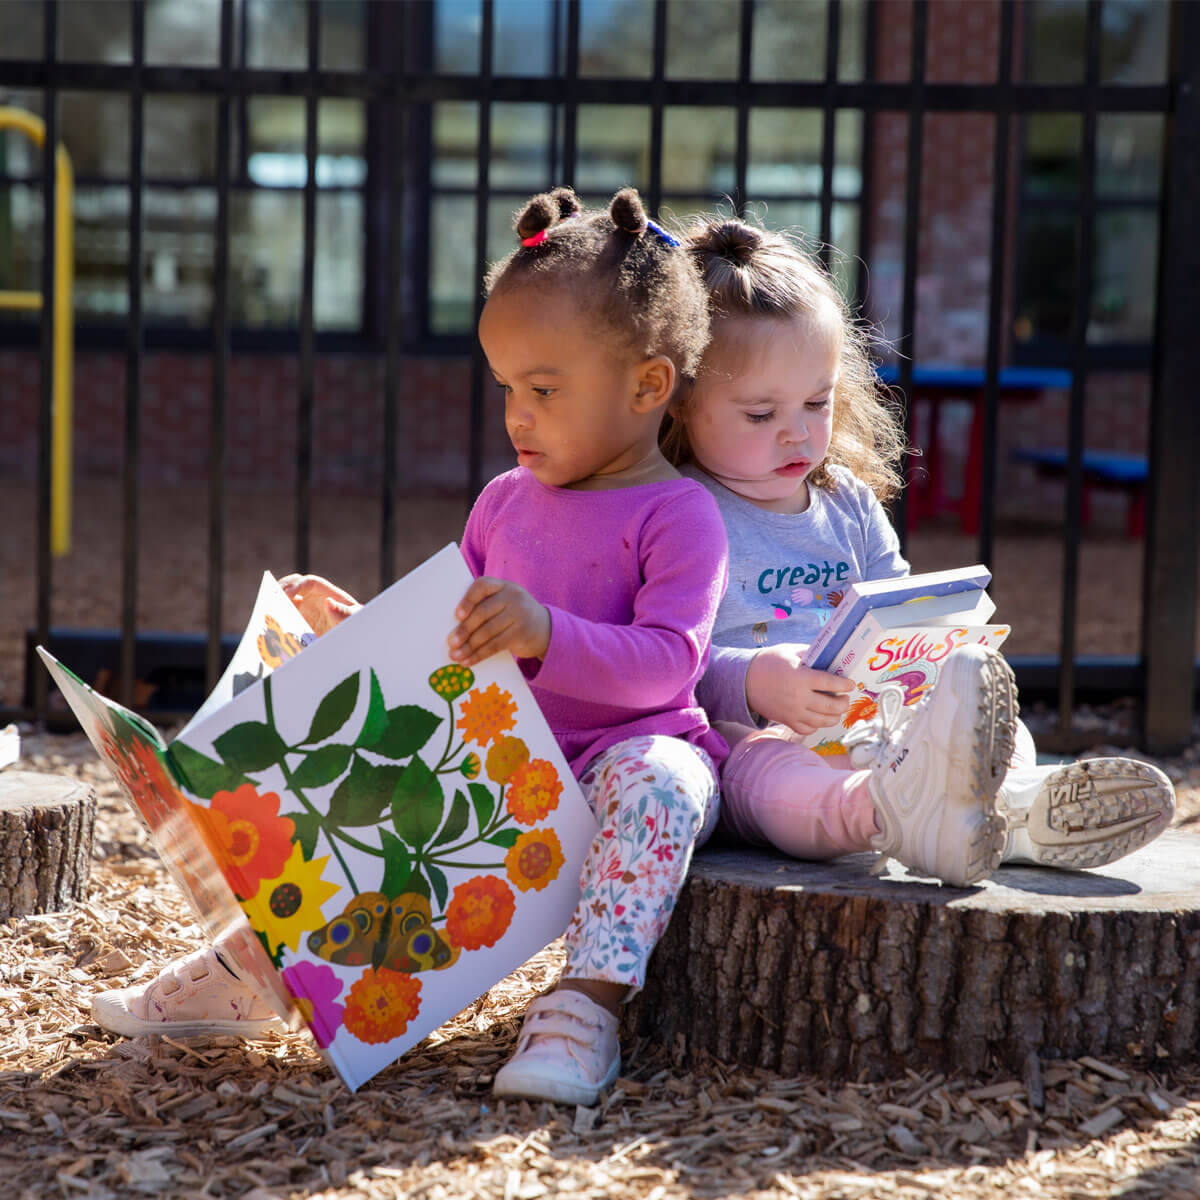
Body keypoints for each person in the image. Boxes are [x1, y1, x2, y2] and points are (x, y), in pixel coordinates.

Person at [92, 186, 731, 1109]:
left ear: (646, 384)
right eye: (507, 387)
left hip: (611, 766)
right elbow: (449, 636)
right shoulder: (504, 499)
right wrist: (359, 629)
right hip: (499, 766)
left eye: (544, 390)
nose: (517, 415)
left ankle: (584, 1007)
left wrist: (546, 632)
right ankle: (256, 965)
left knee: (665, 780)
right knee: (355, 791)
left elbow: (672, 660)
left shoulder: (680, 513)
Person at [659, 215, 1174, 879]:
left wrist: (937, 649)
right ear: (678, 400)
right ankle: (891, 815)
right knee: (767, 776)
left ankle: (1013, 810)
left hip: (882, 727)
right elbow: (666, 658)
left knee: (1002, 728)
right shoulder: (677, 510)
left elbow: (897, 601)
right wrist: (757, 681)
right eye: (762, 414)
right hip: (755, 738)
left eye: (817, 403)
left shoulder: (844, 500)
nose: (797, 434)